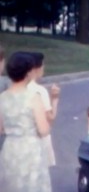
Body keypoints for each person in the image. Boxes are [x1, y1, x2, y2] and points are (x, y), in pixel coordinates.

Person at [0, 52, 51, 192]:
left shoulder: (2, 97)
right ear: (28, 73)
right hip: (30, 149)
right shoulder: (33, 97)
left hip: (10, 148)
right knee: (31, 186)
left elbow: (1, 128)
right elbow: (43, 130)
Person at [27, 52, 60, 167]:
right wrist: (54, 99)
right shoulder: (40, 91)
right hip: (37, 141)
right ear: (36, 68)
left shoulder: (14, 89)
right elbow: (50, 118)